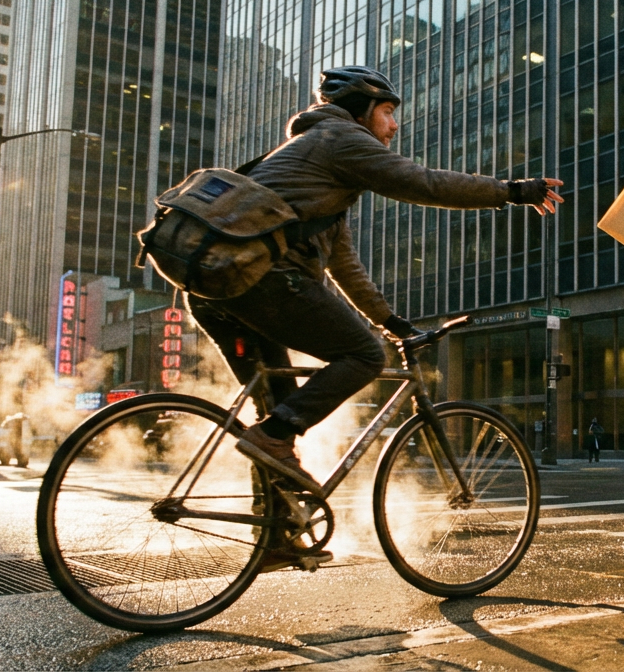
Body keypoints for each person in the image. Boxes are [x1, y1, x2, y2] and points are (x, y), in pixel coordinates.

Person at [189, 66, 565, 496]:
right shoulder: (340, 139)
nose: (395, 123)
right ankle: (272, 439)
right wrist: (512, 191)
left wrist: (393, 322)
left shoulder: (316, 164)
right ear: (361, 111)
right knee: (364, 356)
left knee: (279, 418)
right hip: (258, 277)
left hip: (217, 282)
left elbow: (344, 265)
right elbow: (424, 183)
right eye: (387, 111)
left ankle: (276, 533)